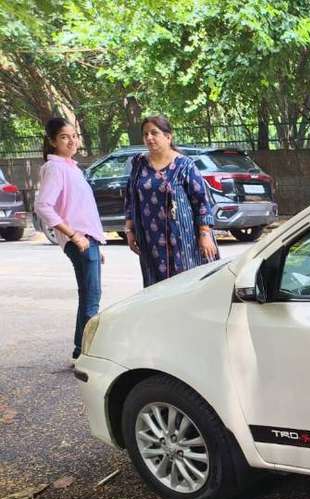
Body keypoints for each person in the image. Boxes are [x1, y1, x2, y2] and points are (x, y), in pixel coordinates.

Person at [34, 117, 106, 361]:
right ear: (53, 141)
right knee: (91, 297)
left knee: (89, 295)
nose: (72, 141)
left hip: (88, 240)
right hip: (80, 241)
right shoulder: (55, 168)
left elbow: (81, 208)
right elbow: (43, 206)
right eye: (64, 137)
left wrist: (95, 240)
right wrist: (74, 235)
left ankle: (80, 350)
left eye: (74, 135)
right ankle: (84, 352)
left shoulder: (70, 167)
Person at [124, 115, 217, 286]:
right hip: (150, 239)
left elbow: (201, 202)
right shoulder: (139, 164)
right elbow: (130, 198)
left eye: (154, 133)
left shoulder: (185, 165)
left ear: (168, 137)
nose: (149, 138)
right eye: (145, 134)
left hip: (183, 239)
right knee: (156, 288)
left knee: (186, 285)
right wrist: (129, 231)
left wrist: (205, 234)